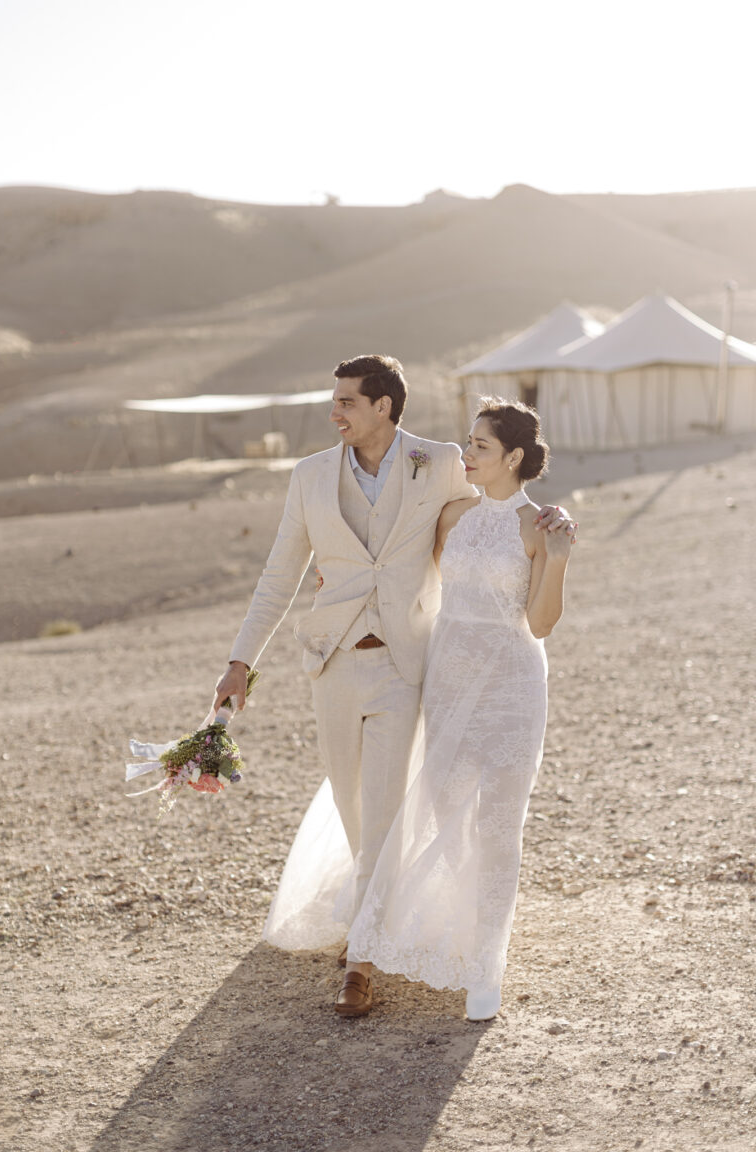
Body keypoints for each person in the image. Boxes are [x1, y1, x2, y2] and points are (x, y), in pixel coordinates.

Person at [213, 358, 573, 1018]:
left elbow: (519, 557)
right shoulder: (320, 480)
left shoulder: (438, 465)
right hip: (352, 663)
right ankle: (383, 919)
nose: (335, 413)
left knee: (425, 814)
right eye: (335, 401)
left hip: (427, 668)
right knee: (368, 809)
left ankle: (374, 961)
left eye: (347, 401)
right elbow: (279, 577)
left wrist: (552, 539)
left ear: (383, 407)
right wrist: (241, 663)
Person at [345, 398, 573, 1020]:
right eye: (468, 442)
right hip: (448, 675)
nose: (465, 454)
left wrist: (558, 560)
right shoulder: (451, 515)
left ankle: (485, 965)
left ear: (515, 458)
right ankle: (455, 927)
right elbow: (400, 571)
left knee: (499, 826)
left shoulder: (540, 528)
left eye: (479, 446)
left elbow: (542, 623)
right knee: (445, 807)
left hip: (512, 683)